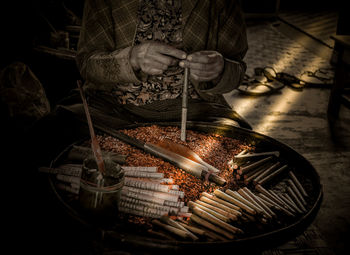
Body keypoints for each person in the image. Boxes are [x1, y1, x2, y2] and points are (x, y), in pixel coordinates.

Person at [72, 0, 251, 129]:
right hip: (113, 109)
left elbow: (237, 69)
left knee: (233, 152)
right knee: (63, 133)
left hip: (197, 111)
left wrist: (220, 69)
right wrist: (132, 58)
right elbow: (87, 65)